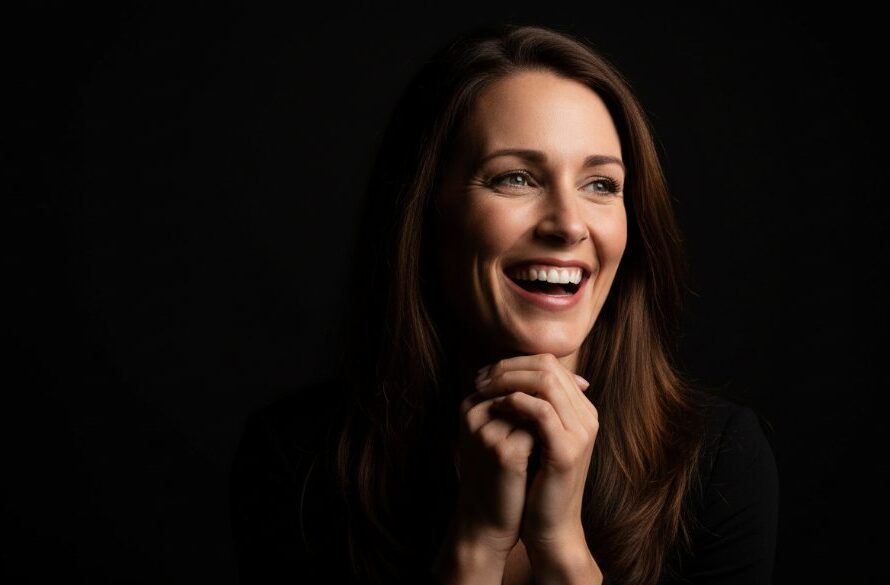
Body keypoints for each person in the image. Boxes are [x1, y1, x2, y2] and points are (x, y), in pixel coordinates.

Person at [229, 21, 779, 585]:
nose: (568, 224)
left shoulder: (719, 463)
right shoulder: (297, 461)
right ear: (425, 213)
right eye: (515, 178)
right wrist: (476, 546)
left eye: (601, 185)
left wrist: (561, 547)